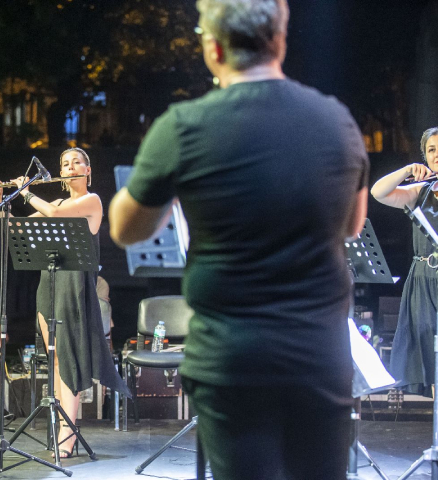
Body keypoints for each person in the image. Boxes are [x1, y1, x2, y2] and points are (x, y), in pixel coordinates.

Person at [109, 1, 368, 479]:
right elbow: (352, 224)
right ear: (280, 40)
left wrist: (163, 176)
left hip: (232, 360)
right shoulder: (338, 121)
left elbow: (126, 229)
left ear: (212, 47)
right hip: (319, 353)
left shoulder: (184, 127)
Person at [0, 148, 130, 459]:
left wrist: (26, 192)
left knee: (67, 359)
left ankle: (69, 430)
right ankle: (59, 423)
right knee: (53, 360)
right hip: (49, 284)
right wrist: (1, 204)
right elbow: (18, 228)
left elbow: (53, 215)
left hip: (74, 286)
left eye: (77, 162)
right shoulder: (57, 202)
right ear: (62, 173)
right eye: (65, 164)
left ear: (87, 170)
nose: (71, 166)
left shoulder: (91, 201)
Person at [371, 127, 438, 397]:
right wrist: (408, 170)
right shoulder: (421, 191)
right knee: (425, 356)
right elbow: (379, 192)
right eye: (431, 150)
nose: (436, 155)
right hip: (422, 279)